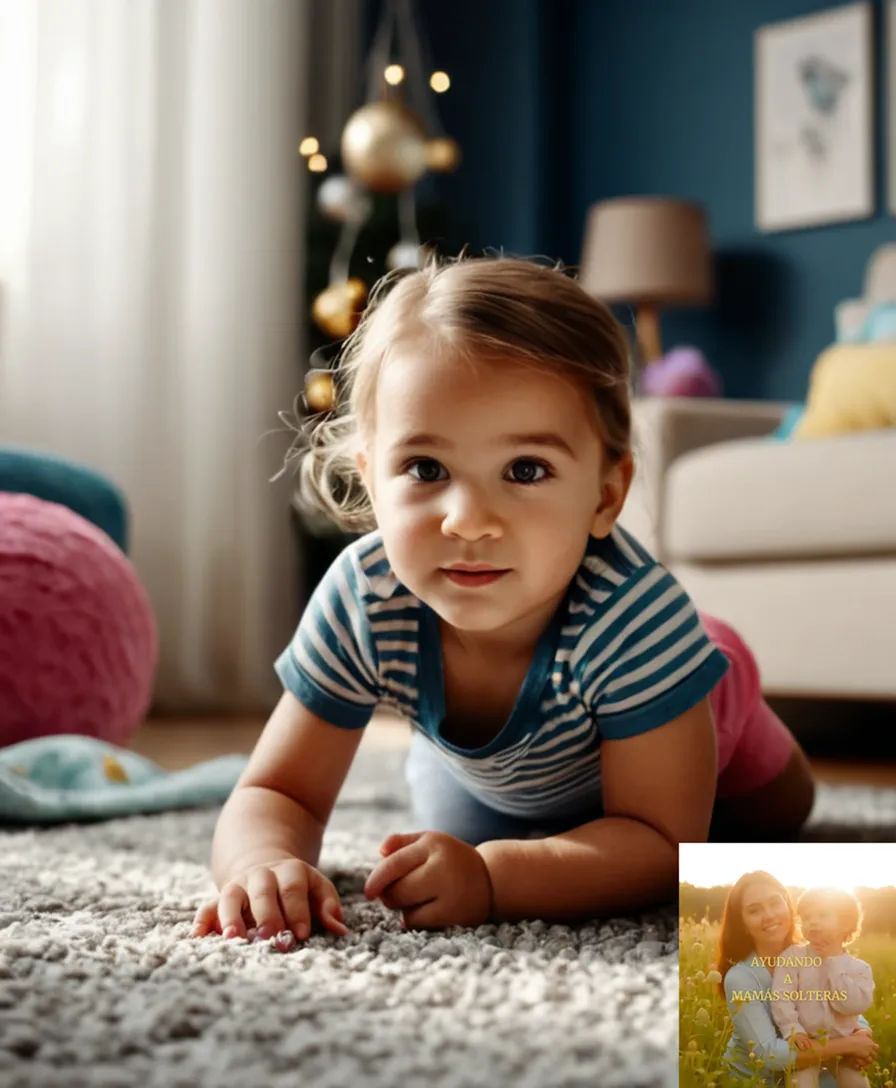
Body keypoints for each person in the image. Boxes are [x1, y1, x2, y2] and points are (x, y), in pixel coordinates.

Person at [191, 255, 816, 943]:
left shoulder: (635, 622)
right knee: (449, 841)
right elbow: (277, 792)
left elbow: (661, 843)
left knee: (771, 819)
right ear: (372, 480)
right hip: (497, 771)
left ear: (605, 495)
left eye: (525, 470)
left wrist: (494, 880)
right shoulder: (365, 595)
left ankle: (718, 664)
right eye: (426, 469)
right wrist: (262, 863)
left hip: (688, 708)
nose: (467, 520)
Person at [717, 872, 878, 1085]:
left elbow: (836, 1001)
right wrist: (849, 1045)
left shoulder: (814, 953)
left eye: (775, 903)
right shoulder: (740, 978)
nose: (769, 915)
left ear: (788, 906)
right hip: (758, 1079)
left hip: (810, 1064)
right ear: (744, 925)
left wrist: (862, 1032)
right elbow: (768, 1054)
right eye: (754, 910)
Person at [770, 886, 875, 1088]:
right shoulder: (792, 957)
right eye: (807, 917)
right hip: (807, 1043)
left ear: (846, 923)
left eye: (822, 915)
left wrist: (833, 962)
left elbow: (852, 1006)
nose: (813, 922)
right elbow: (782, 997)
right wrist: (793, 1030)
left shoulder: (859, 969)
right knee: (800, 1083)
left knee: (858, 1083)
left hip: (844, 1048)